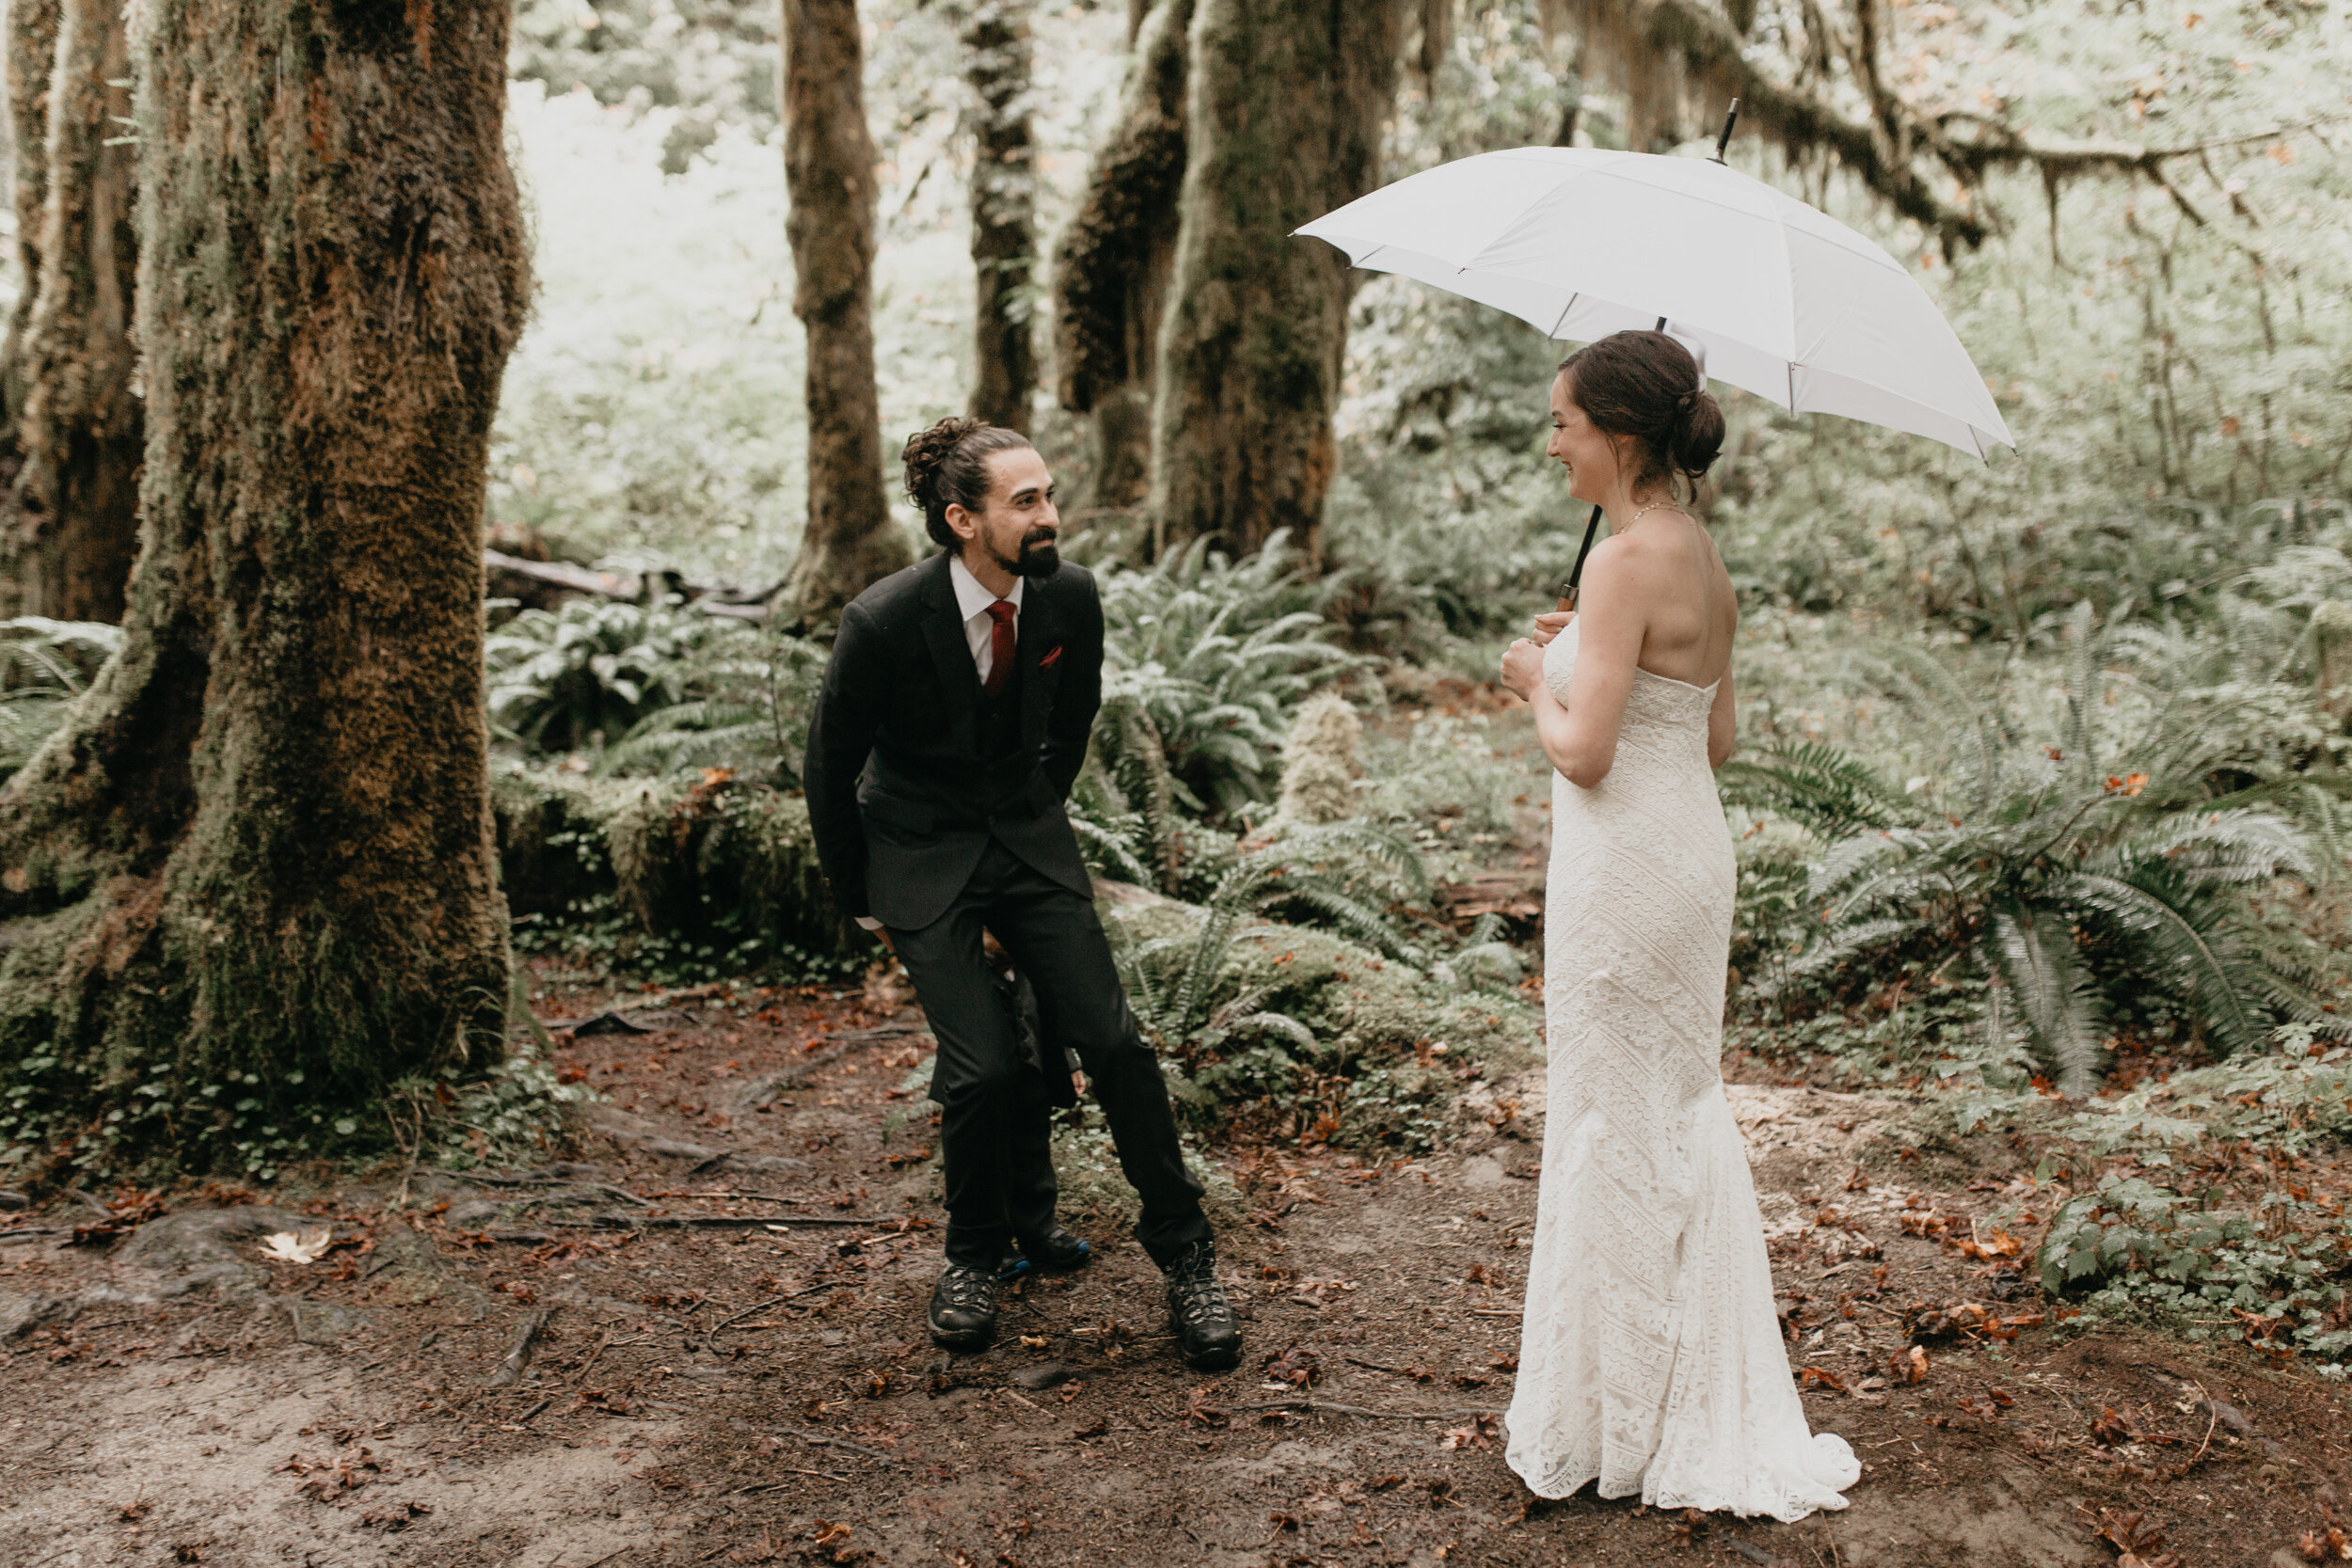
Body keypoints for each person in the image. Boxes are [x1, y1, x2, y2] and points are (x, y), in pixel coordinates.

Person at [1495, 331, 1858, 1520]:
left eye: (1562, 422)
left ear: (1617, 434)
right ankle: (1674, 1398)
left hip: (1619, 870)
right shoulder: (1696, 554)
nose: (1551, 441)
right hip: (1689, 858)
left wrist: (1530, 678)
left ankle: (1623, 1423)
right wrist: (1588, 660)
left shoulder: (1617, 564)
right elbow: (1710, 739)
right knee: (1676, 1110)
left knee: (1609, 1116)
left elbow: (1586, 752)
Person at [803, 415, 1242, 1371]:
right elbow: (828, 765)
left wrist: (1037, 803)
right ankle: (971, 1257)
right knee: (985, 1068)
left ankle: (1189, 1258)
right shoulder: (881, 620)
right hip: (918, 855)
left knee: (1117, 1042)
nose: (1051, 514)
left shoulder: (1068, 599)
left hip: (1030, 844)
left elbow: (1073, 716)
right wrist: (864, 897)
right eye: (1027, 501)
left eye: (1048, 493)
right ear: (962, 519)